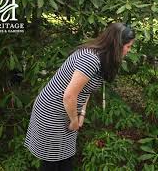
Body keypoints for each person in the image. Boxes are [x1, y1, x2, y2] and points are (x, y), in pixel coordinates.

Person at [24, 23, 135, 171]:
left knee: (66, 159)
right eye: (128, 46)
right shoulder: (90, 59)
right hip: (51, 112)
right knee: (52, 162)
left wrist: (81, 113)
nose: (129, 51)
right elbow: (69, 96)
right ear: (116, 45)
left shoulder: (101, 58)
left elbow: (84, 90)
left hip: (67, 112)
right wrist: (74, 121)